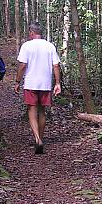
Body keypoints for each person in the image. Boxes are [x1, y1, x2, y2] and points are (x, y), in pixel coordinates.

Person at [14, 22, 61, 154]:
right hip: (45, 83)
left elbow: (23, 65)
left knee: (32, 110)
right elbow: (56, 65)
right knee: (42, 111)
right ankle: (40, 138)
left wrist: (17, 81)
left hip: (31, 83)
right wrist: (57, 83)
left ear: (31, 32)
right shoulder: (50, 46)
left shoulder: (27, 46)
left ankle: (37, 139)